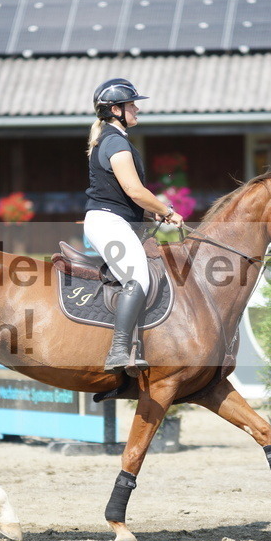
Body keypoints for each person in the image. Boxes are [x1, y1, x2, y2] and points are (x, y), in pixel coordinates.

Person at [84, 78, 183, 374]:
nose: (137, 108)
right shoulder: (115, 141)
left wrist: (149, 213)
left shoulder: (113, 138)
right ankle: (118, 350)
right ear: (116, 109)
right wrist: (167, 211)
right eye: (132, 104)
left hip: (115, 220)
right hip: (108, 221)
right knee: (138, 278)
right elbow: (134, 189)